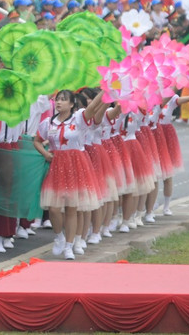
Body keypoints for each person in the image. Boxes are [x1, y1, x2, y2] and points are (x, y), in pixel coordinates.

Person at [33, 90, 107, 259]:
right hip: (57, 165)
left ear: (72, 104)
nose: (59, 103)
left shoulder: (79, 118)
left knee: (72, 208)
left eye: (64, 100)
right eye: (58, 100)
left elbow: (94, 105)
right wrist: (45, 154)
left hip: (76, 165)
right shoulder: (48, 123)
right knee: (53, 208)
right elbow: (37, 141)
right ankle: (59, 236)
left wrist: (106, 88)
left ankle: (69, 245)